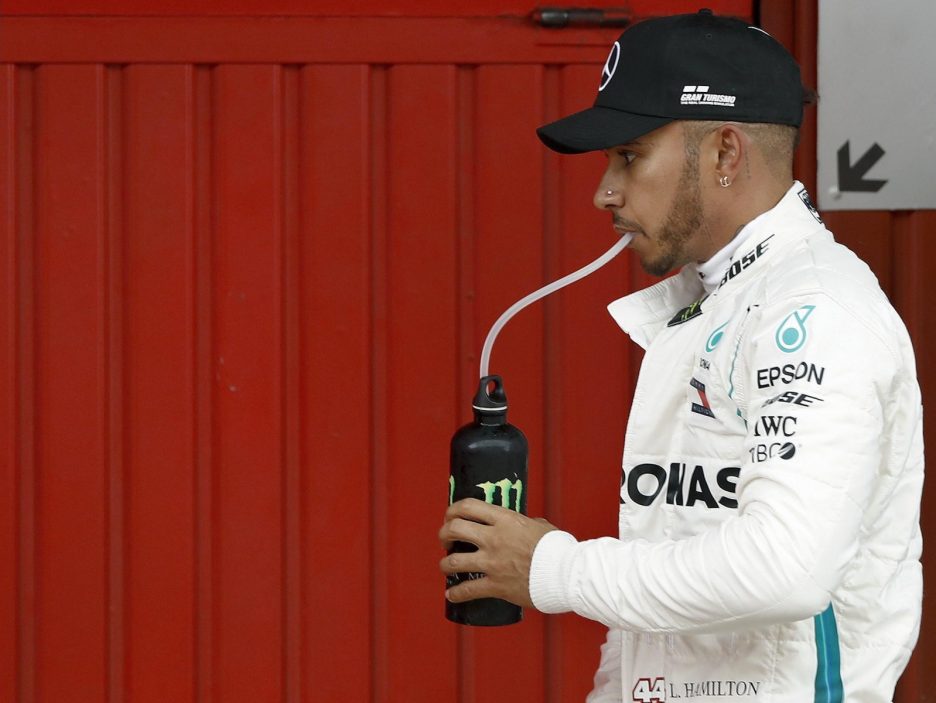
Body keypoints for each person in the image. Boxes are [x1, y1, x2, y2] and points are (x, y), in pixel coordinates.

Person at [438, 9, 923, 702]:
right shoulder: (711, 303)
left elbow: (787, 568)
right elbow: (663, 559)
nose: (604, 191)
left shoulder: (816, 310)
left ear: (725, 154)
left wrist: (552, 567)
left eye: (630, 155)